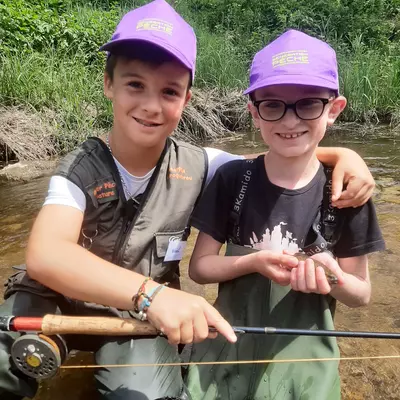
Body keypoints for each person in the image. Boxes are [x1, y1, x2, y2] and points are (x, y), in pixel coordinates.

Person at [0, 1, 375, 398]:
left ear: (186, 100)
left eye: (169, 91)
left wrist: (343, 156)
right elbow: (46, 254)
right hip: (61, 303)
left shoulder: (202, 164)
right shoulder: (77, 169)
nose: (150, 105)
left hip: (137, 318)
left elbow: (281, 157)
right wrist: (154, 294)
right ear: (108, 84)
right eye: (134, 85)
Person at [185, 29, 385, 400]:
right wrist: (254, 262)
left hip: (307, 366)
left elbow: (362, 294)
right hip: (229, 348)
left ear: (334, 109)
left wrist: (335, 278)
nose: (290, 121)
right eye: (273, 105)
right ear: (254, 113)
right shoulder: (232, 178)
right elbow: (199, 268)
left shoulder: (348, 192)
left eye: (308, 103)